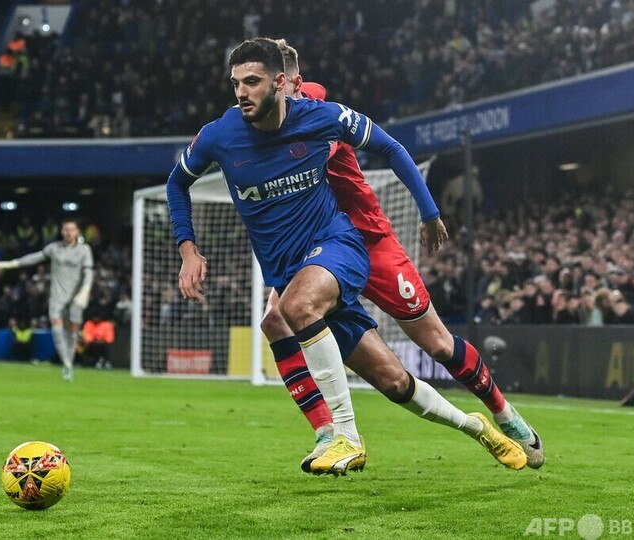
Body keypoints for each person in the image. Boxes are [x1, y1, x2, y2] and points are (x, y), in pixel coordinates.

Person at [167, 38, 526, 475]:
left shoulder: (320, 116)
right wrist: (188, 248)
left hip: (343, 244)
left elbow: (391, 147)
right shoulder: (219, 135)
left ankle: (343, 436)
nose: (241, 92)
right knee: (394, 382)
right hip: (290, 269)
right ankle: (476, 427)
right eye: (235, 83)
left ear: (281, 83)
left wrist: (430, 212)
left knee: (299, 308)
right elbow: (177, 182)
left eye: (252, 82)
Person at [261, 39, 544, 471]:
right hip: (316, 249)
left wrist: (429, 211)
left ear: (290, 83)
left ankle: (505, 413)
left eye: (273, 83)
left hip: (369, 241)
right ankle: (327, 433)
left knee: (438, 344)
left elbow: (380, 144)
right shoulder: (260, 123)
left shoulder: (317, 111)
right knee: (277, 319)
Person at [0, 218, 94, 382]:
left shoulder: (84, 250)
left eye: (71, 229)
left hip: (76, 298)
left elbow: (88, 272)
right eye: (65, 229)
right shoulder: (54, 248)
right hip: (57, 297)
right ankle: (67, 364)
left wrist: (85, 290)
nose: (68, 233)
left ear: (77, 232)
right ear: (61, 231)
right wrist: (10, 264)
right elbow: (34, 258)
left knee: (72, 333)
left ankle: (69, 362)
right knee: (57, 331)